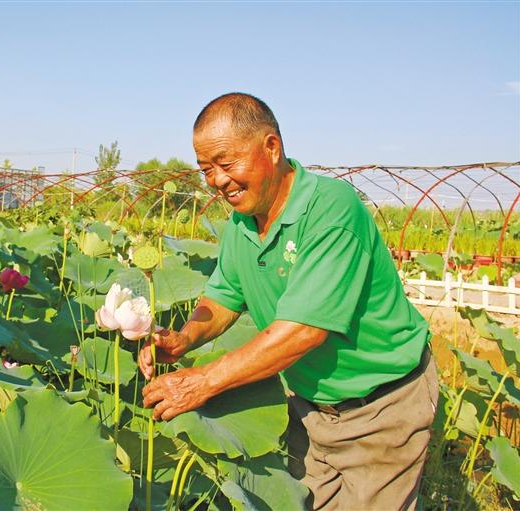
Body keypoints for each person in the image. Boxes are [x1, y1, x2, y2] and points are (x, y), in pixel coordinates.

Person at [139, 92, 438, 510]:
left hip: (381, 408)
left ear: (272, 147)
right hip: (309, 407)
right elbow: (224, 295)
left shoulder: (331, 210)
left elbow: (304, 330)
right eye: (206, 169)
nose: (218, 180)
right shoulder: (242, 223)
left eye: (226, 164)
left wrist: (201, 381)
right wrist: (184, 339)